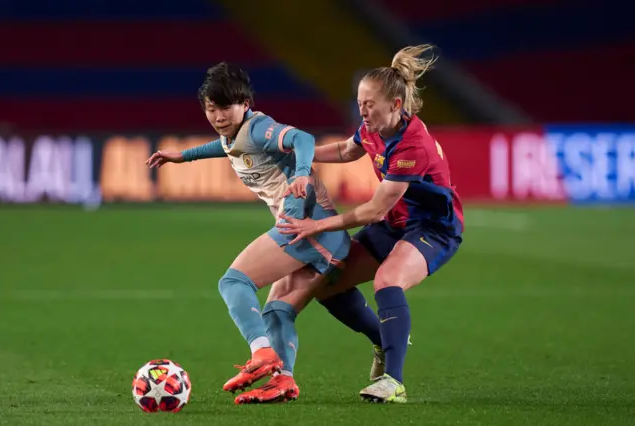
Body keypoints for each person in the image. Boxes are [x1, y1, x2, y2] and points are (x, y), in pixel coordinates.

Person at [145, 62, 384, 404]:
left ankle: (262, 353)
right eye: (211, 109)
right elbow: (224, 146)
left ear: (244, 104)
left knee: (233, 282)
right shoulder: (235, 136)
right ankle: (284, 380)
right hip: (317, 237)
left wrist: (302, 173)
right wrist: (183, 156)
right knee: (280, 310)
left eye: (225, 107)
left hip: (305, 228)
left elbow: (301, 138)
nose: (218, 116)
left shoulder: (259, 129)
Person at [277, 45, 465, 403]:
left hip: (433, 229)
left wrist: (316, 226)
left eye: (369, 104)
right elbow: (349, 150)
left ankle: (394, 381)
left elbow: (374, 210)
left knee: (388, 280)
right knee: (327, 285)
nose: (362, 111)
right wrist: (303, 152)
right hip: (396, 224)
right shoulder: (373, 127)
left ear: (395, 105)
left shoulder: (413, 146)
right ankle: (382, 338)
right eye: (360, 102)